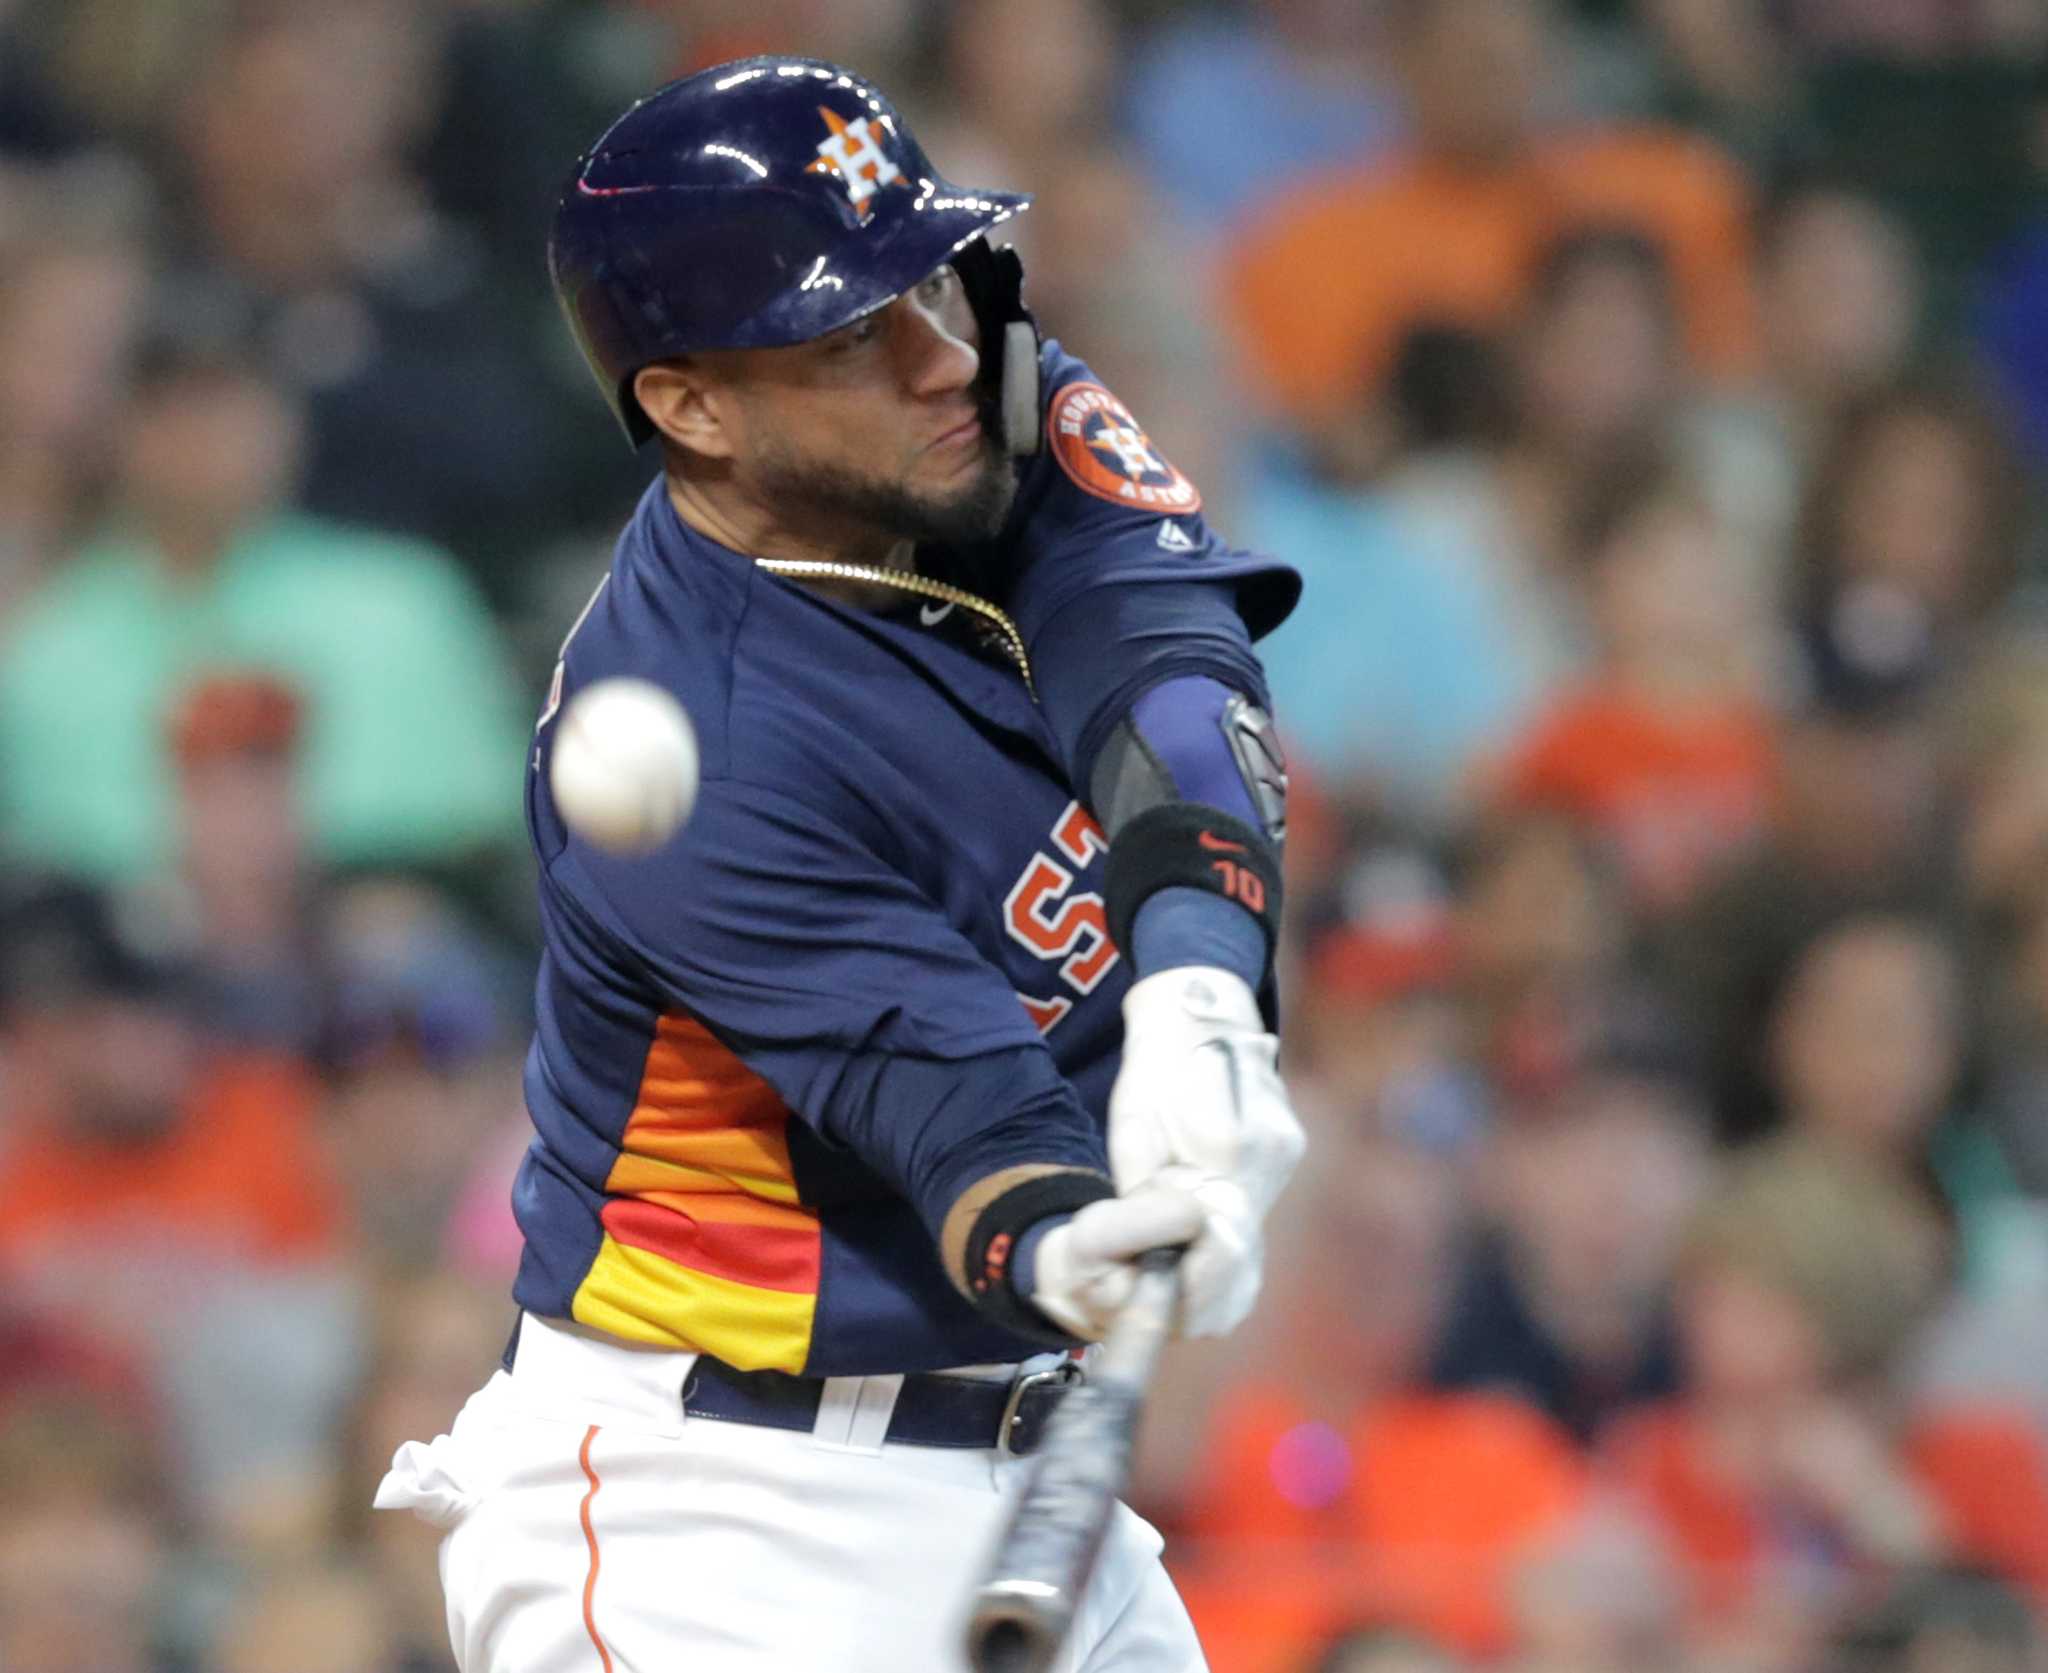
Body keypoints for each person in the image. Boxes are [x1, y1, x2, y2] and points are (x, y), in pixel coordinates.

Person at [375, 56, 1306, 1672]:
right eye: (844, 332)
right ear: (691, 403)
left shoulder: (960, 400)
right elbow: (954, 1110)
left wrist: (1200, 991)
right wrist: (1073, 1239)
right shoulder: (686, 749)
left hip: (1020, 1463)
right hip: (718, 1513)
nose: (937, 352)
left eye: (924, 278)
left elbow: (1160, 644)